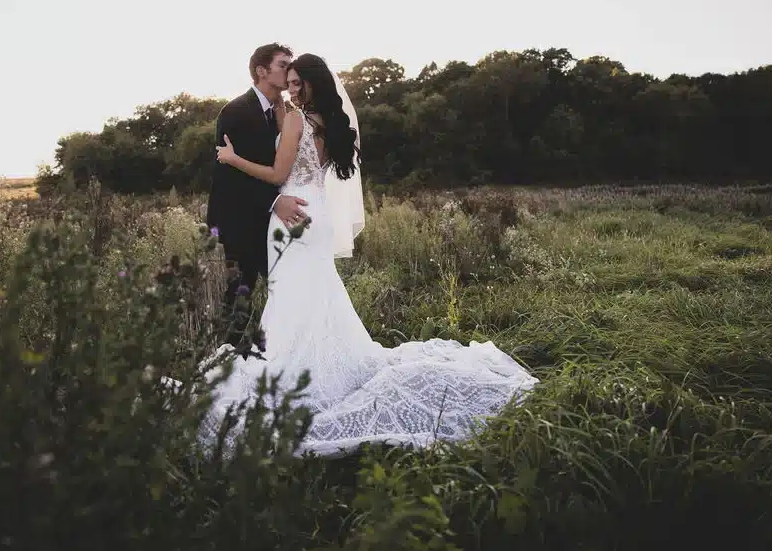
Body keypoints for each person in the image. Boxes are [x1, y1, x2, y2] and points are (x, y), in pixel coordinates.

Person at [204, 52, 540, 457]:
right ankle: (317, 364)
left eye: (297, 83)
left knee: (292, 297)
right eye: (287, 81)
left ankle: (291, 372)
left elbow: (278, 175)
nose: (291, 90)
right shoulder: (327, 121)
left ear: (309, 85)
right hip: (317, 214)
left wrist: (231, 158)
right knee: (314, 294)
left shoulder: (294, 119)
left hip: (293, 214)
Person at [206, 43, 310, 345]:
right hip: (239, 220)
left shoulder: (287, 113)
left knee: (289, 288)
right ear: (261, 71)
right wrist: (274, 201)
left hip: (273, 223)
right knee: (239, 296)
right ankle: (228, 362)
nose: (289, 69)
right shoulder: (235, 111)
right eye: (282, 64)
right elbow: (229, 175)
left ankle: (291, 351)